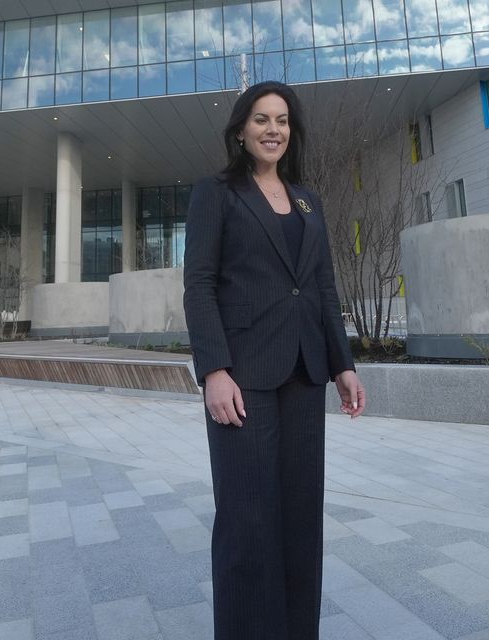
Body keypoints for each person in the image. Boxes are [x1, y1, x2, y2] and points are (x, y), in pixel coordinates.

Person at [182, 81, 366, 640]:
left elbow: (323, 290)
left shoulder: (308, 200)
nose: (272, 130)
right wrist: (214, 370)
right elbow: (199, 284)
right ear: (241, 129)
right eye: (261, 119)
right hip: (243, 377)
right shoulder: (216, 192)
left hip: (305, 375)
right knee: (247, 521)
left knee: (299, 520)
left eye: (282, 120)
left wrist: (344, 364)